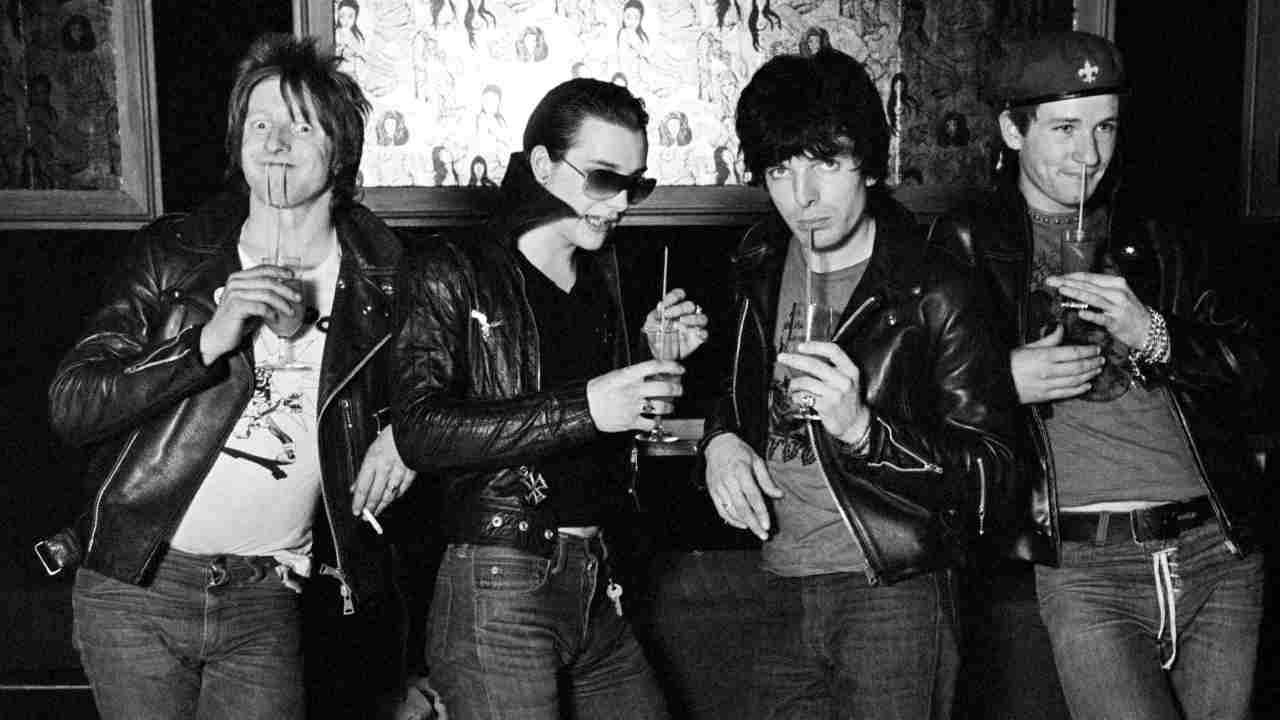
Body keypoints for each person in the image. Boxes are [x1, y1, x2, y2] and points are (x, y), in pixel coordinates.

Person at [41, 34, 415, 720]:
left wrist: (402, 441)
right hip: (138, 586)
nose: (275, 142)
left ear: (341, 150)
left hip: (266, 596)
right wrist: (206, 341)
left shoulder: (385, 275)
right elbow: (74, 404)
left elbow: (433, 396)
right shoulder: (176, 253)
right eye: (260, 123)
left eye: (301, 125)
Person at [928, 31, 1268, 719]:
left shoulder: (1162, 233)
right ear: (1011, 130)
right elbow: (902, 398)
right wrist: (1002, 381)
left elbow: (1255, 369)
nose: (1090, 155)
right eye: (1065, 129)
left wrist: (1152, 333)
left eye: (1106, 126)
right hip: (1087, 567)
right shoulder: (963, 243)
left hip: (1218, 552)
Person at [700, 48, 1017, 719]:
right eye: (781, 169)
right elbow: (732, 394)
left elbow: (993, 475)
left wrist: (866, 432)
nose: (803, 195)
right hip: (780, 583)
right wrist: (721, 442)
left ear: (869, 164)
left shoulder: (935, 286)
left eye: (826, 162)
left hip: (893, 586)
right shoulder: (758, 262)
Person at [392, 77, 707, 719]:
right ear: (541, 165)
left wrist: (661, 372)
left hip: (596, 581)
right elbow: (419, 432)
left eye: (635, 184)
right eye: (601, 179)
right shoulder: (451, 267)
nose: (620, 203)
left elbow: (649, 449)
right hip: (499, 581)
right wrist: (589, 405)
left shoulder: (609, 278)